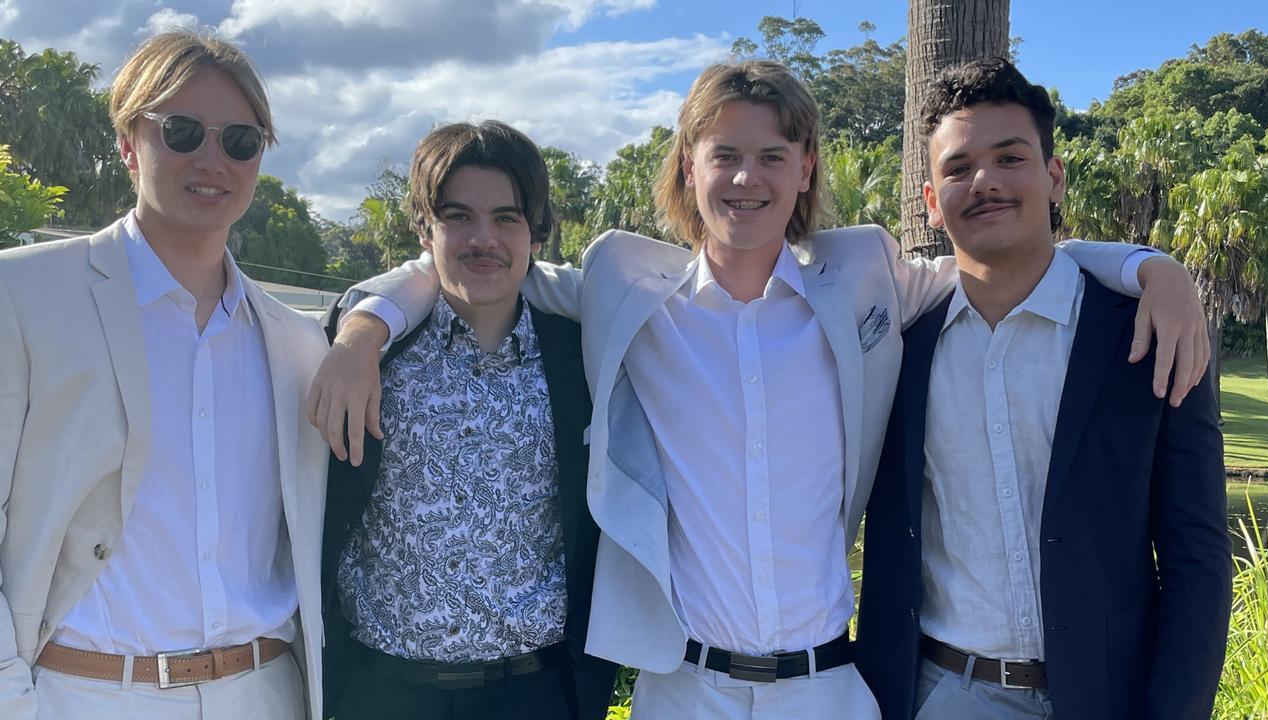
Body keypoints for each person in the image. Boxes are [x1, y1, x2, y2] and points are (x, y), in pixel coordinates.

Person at [309, 60, 1208, 719]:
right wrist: (365, 323)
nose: (748, 178)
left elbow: (1003, 264)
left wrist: (1149, 266)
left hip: (829, 690)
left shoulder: (864, 275)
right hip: (679, 689)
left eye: (774, 154)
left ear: (806, 169)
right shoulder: (625, 282)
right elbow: (480, 265)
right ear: (688, 169)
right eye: (724, 154)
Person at [856, 57, 1231, 720]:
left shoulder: (1145, 335)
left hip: (1108, 698)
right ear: (931, 202)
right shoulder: (897, 347)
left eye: (1010, 157)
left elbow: (1196, 557)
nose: (985, 182)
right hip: (943, 696)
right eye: (958, 167)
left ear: (1053, 177)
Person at [0, 31, 329, 720]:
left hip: (265, 692)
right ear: (128, 142)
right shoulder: (22, 296)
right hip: (84, 695)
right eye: (181, 132)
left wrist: (376, 319)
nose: (213, 159)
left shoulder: (299, 343)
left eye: (240, 141)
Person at [319, 121, 616, 720]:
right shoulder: (364, 356)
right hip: (382, 693)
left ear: (535, 232)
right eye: (458, 216)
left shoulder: (584, 356)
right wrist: (362, 329)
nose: (484, 239)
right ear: (424, 228)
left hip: (534, 692)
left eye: (507, 218)